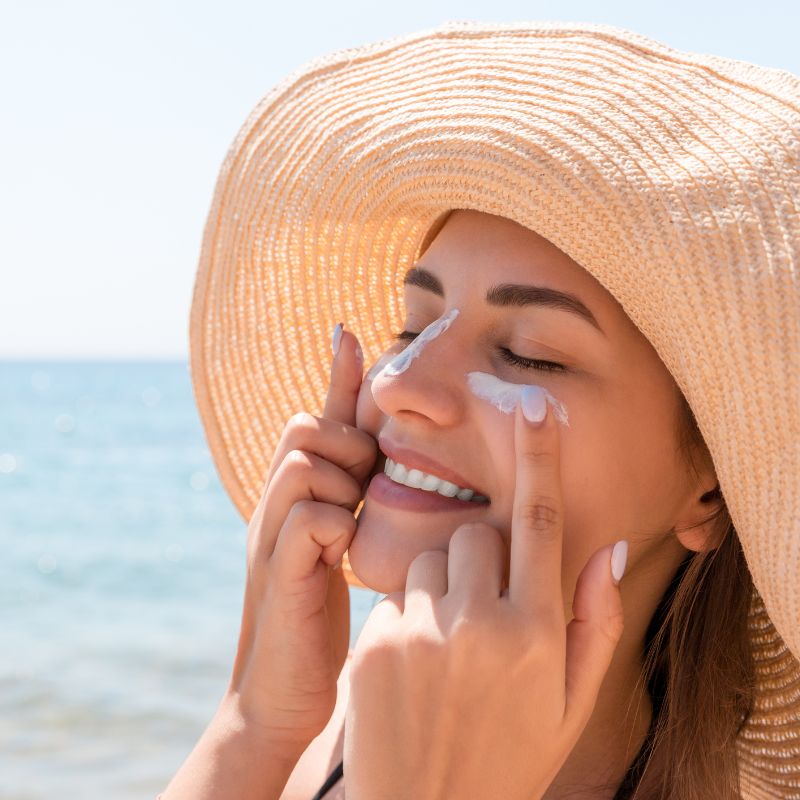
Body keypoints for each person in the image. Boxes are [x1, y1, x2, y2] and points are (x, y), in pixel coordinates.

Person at [159, 20, 799, 800]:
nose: (398, 384)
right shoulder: (362, 711)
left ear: (710, 486)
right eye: (412, 328)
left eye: (531, 353)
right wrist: (256, 720)